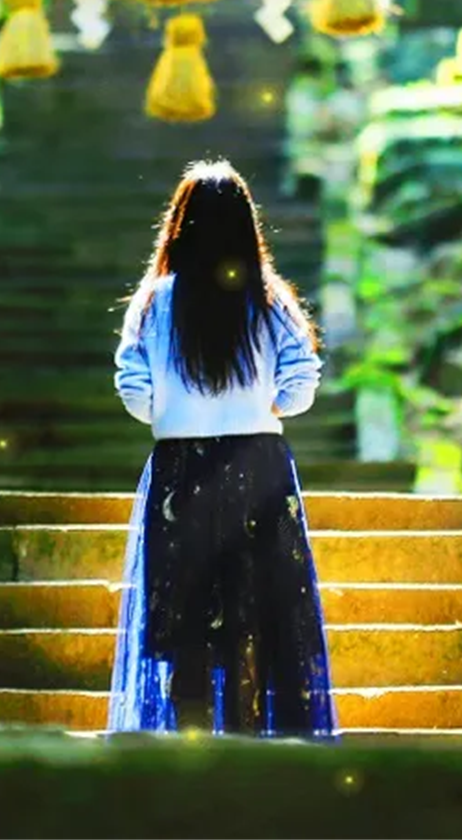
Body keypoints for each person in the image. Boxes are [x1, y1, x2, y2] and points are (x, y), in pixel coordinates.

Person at [106, 160, 336, 737]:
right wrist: (263, 408)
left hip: (181, 468)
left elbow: (132, 385)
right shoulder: (270, 298)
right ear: (245, 225)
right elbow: (302, 379)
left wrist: (172, 416)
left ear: (179, 225)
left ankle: (191, 735)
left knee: (184, 610)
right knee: (254, 610)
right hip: (257, 464)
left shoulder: (153, 301)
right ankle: (247, 735)